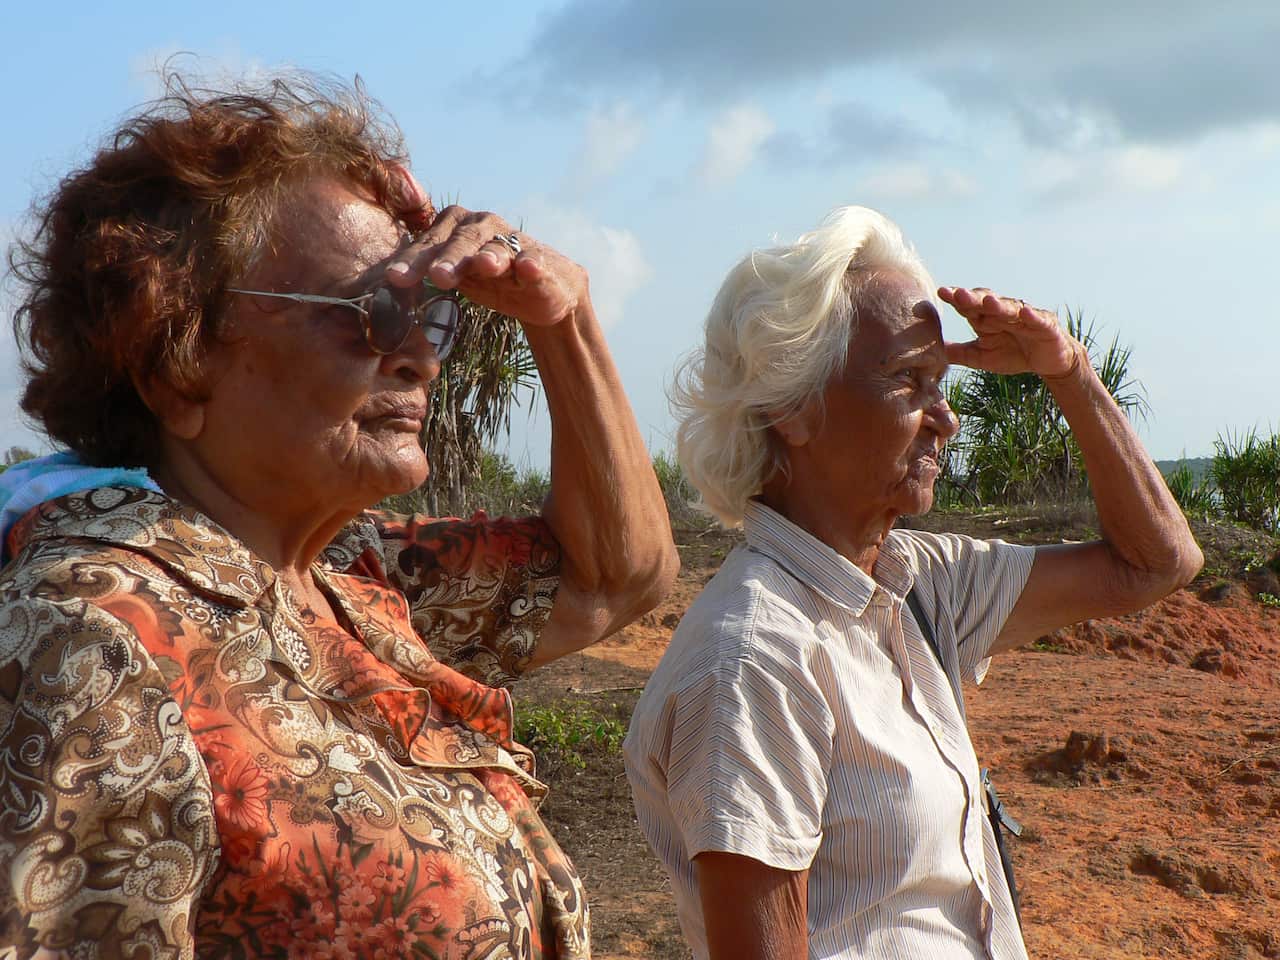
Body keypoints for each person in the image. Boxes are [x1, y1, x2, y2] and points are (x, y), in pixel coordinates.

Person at [0, 74, 678, 960]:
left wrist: (564, 315)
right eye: (371, 312)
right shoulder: (88, 640)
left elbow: (614, 577)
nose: (419, 359)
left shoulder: (349, 584)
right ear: (177, 363)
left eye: (431, 316)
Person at [624, 206, 1201, 960]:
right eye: (910, 381)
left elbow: (1156, 563)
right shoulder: (755, 660)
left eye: (943, 382)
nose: (947, 418)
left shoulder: (917, 582)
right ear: (792, 407)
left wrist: (1070, 372)